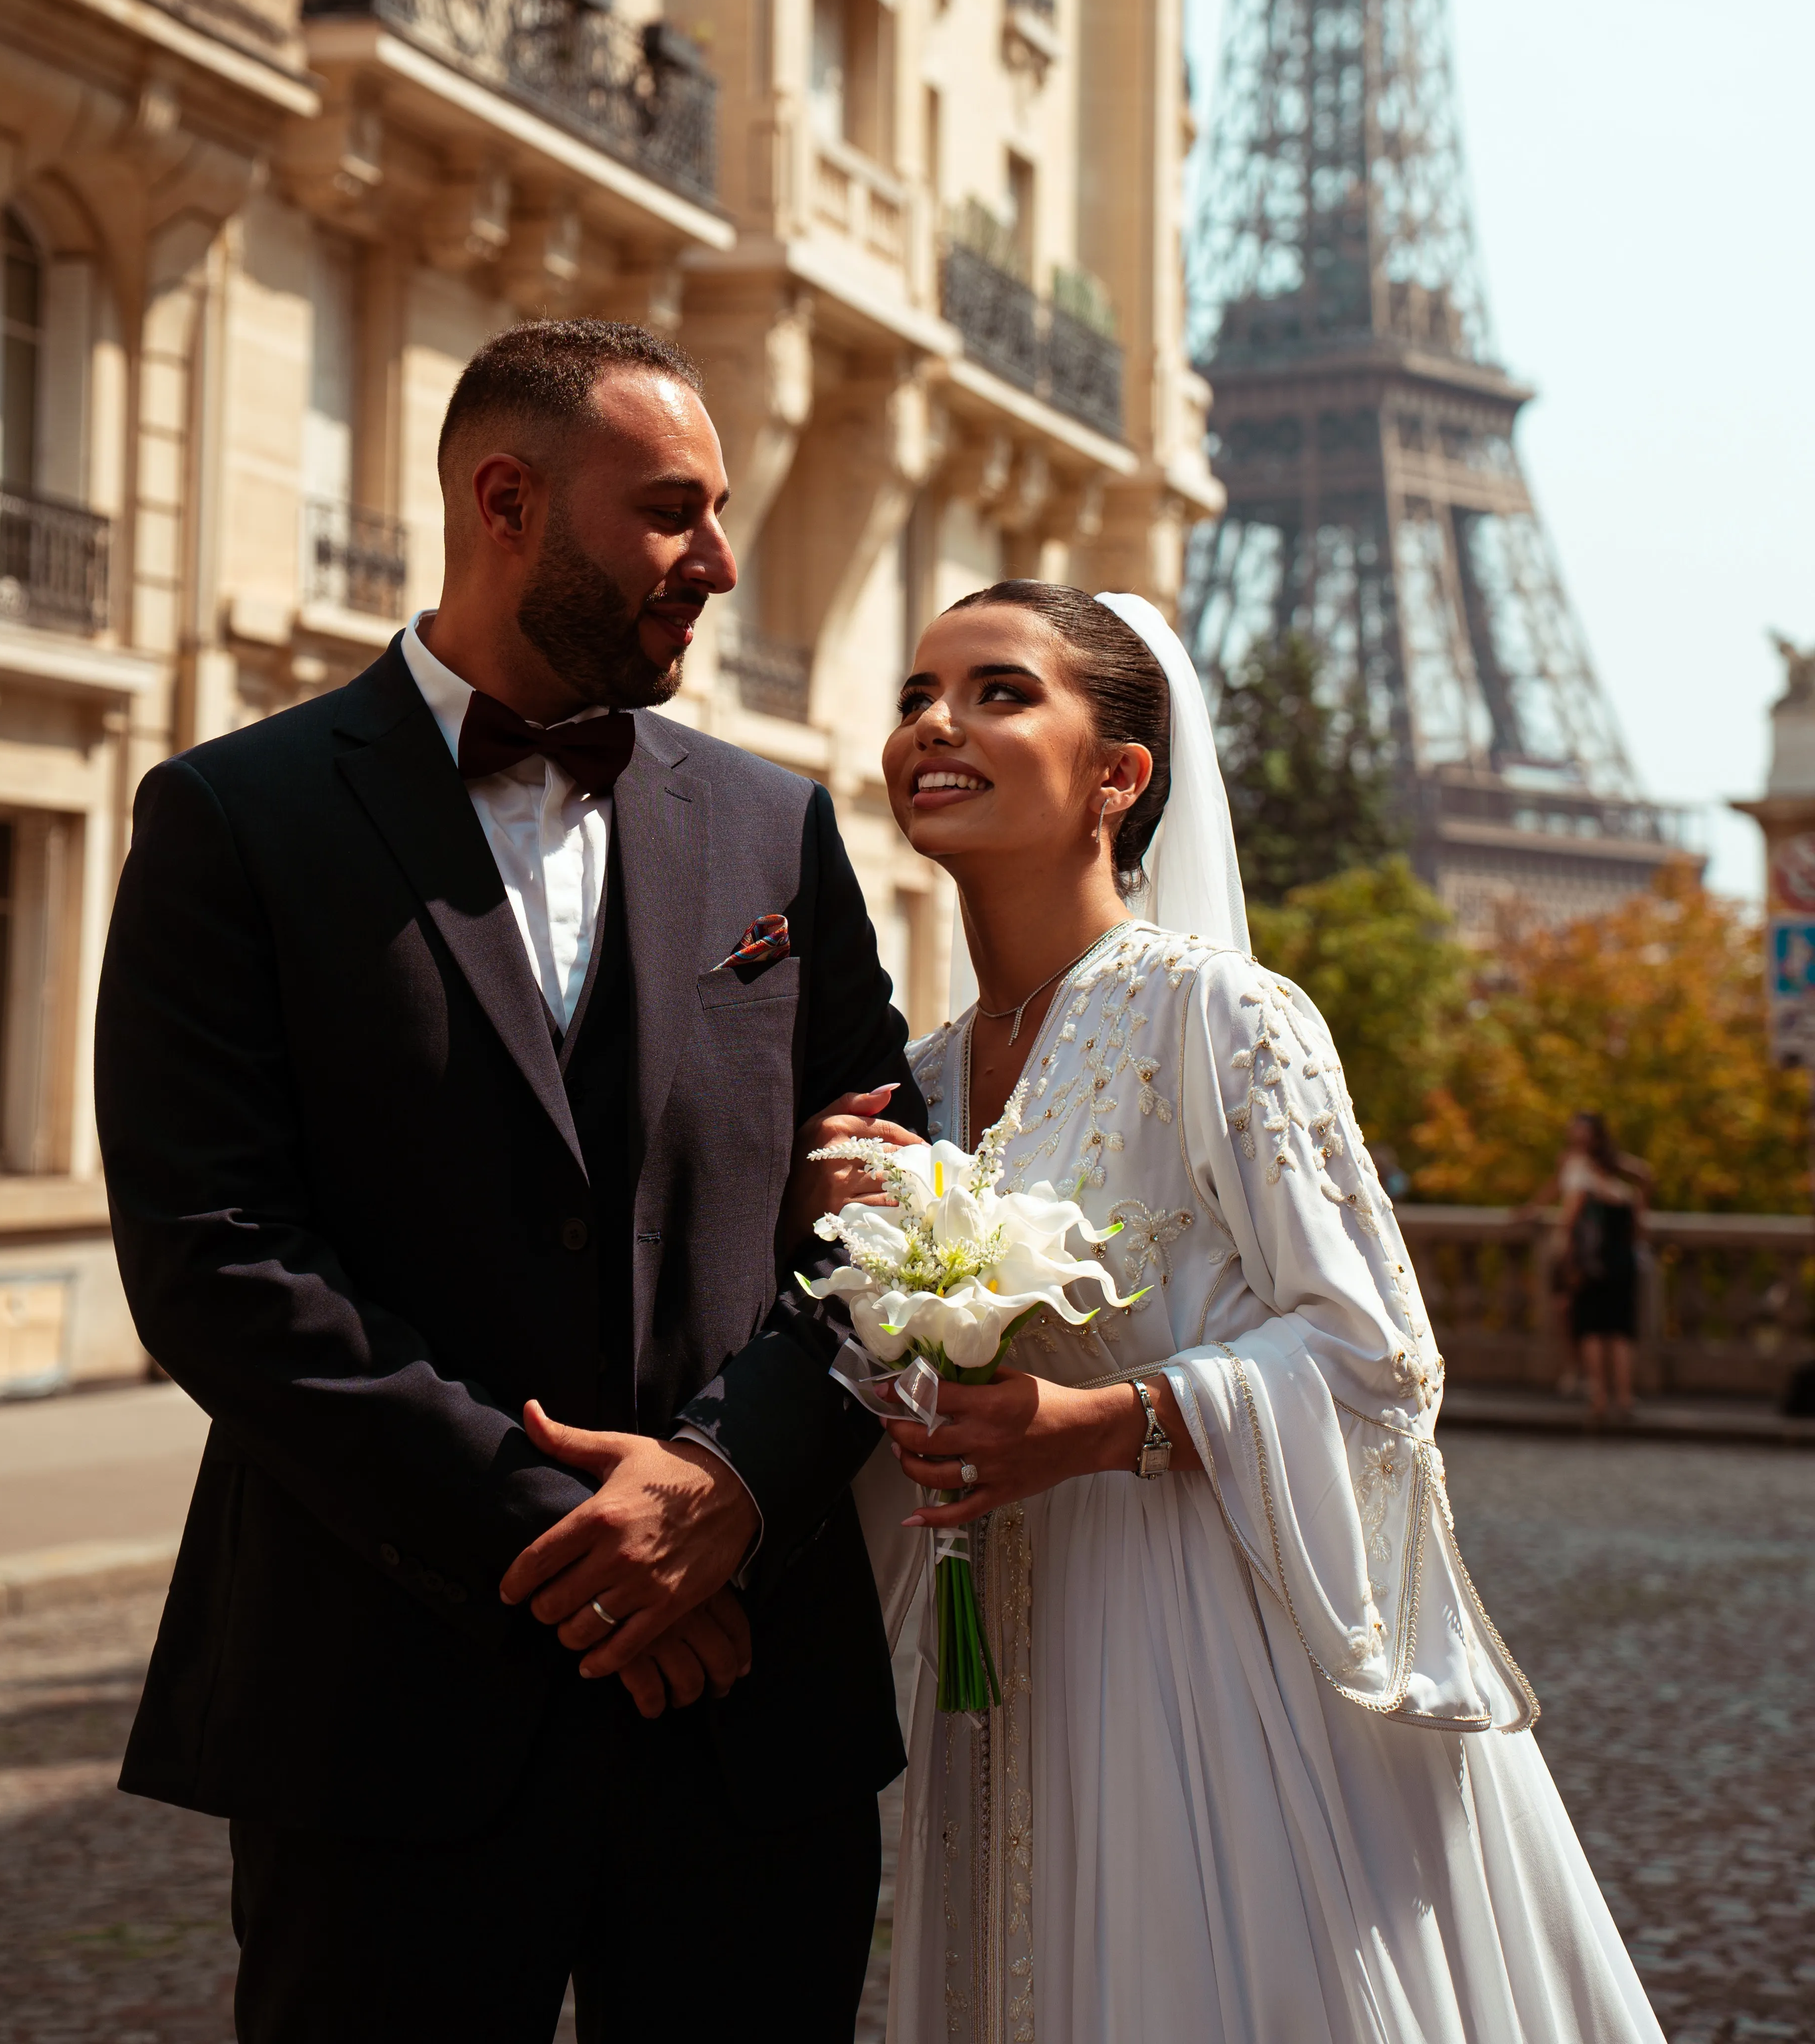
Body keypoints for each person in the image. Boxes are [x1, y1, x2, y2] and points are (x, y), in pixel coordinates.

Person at [95, 319, 924, 2044]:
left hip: (748, 1698)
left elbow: (895, 1210)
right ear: (504, 501)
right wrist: (582, 1545)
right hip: (378, 1702)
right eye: (672, 511)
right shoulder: (233, 817)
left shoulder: (779, 829)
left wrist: (731, 1484)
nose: (718, 561)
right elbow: (214, 1258)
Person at [788, 580, 1665, 2044]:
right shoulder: (918, 1085)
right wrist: (838, 1244)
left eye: (1000, 692)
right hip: (1002, 1671)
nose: (935, 723)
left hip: (1207, 1657)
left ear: (1118, 776)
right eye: (915, 695)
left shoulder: (1225, 1015)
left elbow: (1377, 1353)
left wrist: (1107, 1421)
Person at [1557, 1109, 1648, 1423]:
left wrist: (1567, 1260)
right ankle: (1625, 1396)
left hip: (1593, 1266)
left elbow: (1569, 1222)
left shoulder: (1586, 1187)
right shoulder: (1627, 1194)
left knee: (1592, 1330)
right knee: (1621, 1332)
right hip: (1623, 1264)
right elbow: (1639, 1229)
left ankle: (1599, 1397)